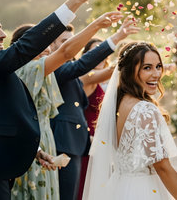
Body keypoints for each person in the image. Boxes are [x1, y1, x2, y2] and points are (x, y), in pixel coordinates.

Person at [0, 0, 107, 199]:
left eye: (0, 27)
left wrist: (36, 150)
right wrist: (77, 0)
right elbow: (25, 48)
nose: (2, 34)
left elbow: (0, 117)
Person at [9, 11, 121, 200]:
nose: (46, 46)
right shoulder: (34, 69)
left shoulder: (42, 69)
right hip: (43, 139)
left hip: (49, 141)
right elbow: (79, 64)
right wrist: (113, 36)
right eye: (41, 42)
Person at [82, 42, 177, 200]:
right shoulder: (145, 110)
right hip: (143, 191)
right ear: (129, 72)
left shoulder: (118, 104)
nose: (156, 74)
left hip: (119, 187)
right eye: (147, 68)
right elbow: (162, 166)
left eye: (158, 66)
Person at [50, 17, 139, 200]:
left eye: (72, 40)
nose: (71, 45)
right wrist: (118, 37)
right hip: (63, 141)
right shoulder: (57, 68)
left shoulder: (68, 68)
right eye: (65, 42)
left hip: (77, 142)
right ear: (52, 45)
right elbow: (84, 66)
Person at [77, 38, 114, 200]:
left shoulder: (110, 80)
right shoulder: (85, 77)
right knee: (86, 181)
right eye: (95, 52)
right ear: (86, 56)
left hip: (102, 136)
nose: (100, 57)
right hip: (88, 136)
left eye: (103, 53)